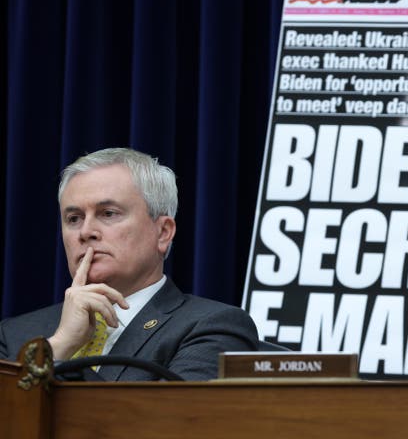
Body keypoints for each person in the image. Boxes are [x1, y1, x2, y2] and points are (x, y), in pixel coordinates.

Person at [0, 147, 259, 380]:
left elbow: (169, 425)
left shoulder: (212, 327)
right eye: (74, 218)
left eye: (108, 214)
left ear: (163, 233)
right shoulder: (15, 334)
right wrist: (59, 347)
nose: (86, 231)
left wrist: (55, 366)